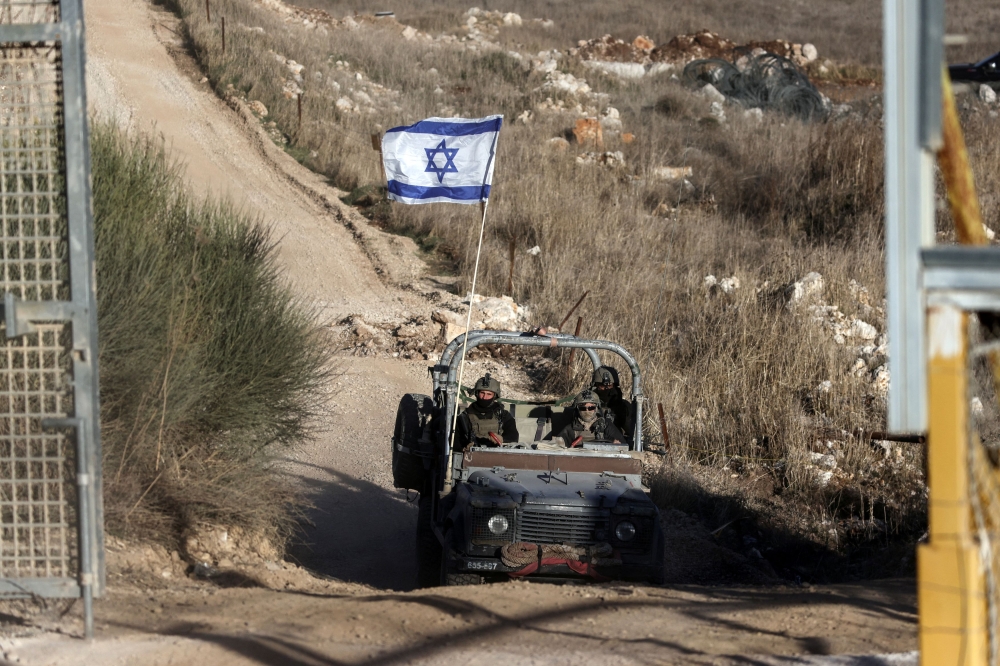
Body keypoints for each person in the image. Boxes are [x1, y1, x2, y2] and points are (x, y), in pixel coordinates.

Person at [456, 373, 518, 448]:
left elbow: (513, 437)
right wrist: (465, 447)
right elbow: (455, 441)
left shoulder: (503, 415)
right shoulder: (465, 416)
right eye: (482, 393)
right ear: (477, 393)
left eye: (489, 394)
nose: (484, 397)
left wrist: (501, 439)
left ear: (494, 396)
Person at [554, 389, 624, 446]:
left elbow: (623, 447)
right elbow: (556, 449)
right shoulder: (570, 429)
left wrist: (613, 443)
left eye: (591, 407)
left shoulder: (606, 426)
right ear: (577, 409)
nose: (587, 411)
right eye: (582, 408)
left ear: (597, 408)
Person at [591, 366, 632, 435]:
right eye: (602, 386)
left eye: (610, 385)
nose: (606, 389)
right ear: (595, 386)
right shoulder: (586, 405)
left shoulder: (624, 407)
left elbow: (632, 432)